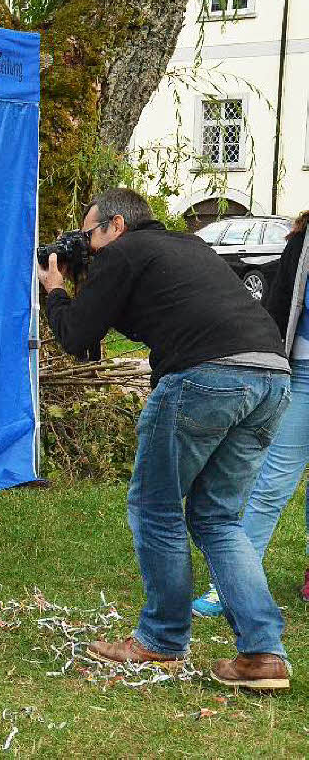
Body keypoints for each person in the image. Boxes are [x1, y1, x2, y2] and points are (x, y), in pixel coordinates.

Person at [39, 188, 293, 690]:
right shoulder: (188, 247)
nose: (88, 248)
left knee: (155, 507)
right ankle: (263, 655)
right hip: (272, 376)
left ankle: (161, 639)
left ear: (115, 225)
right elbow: (110, 332)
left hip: (206, 378)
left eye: (90, 235)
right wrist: (87, 286)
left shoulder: (122, 253)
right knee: (217, 517)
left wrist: (54, 289)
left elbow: (73, 335)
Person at [193, 210, 309, 616]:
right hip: (303, 374)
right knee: (271, 484)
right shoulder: (301, 241)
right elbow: (276, 312)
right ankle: (231, 587)